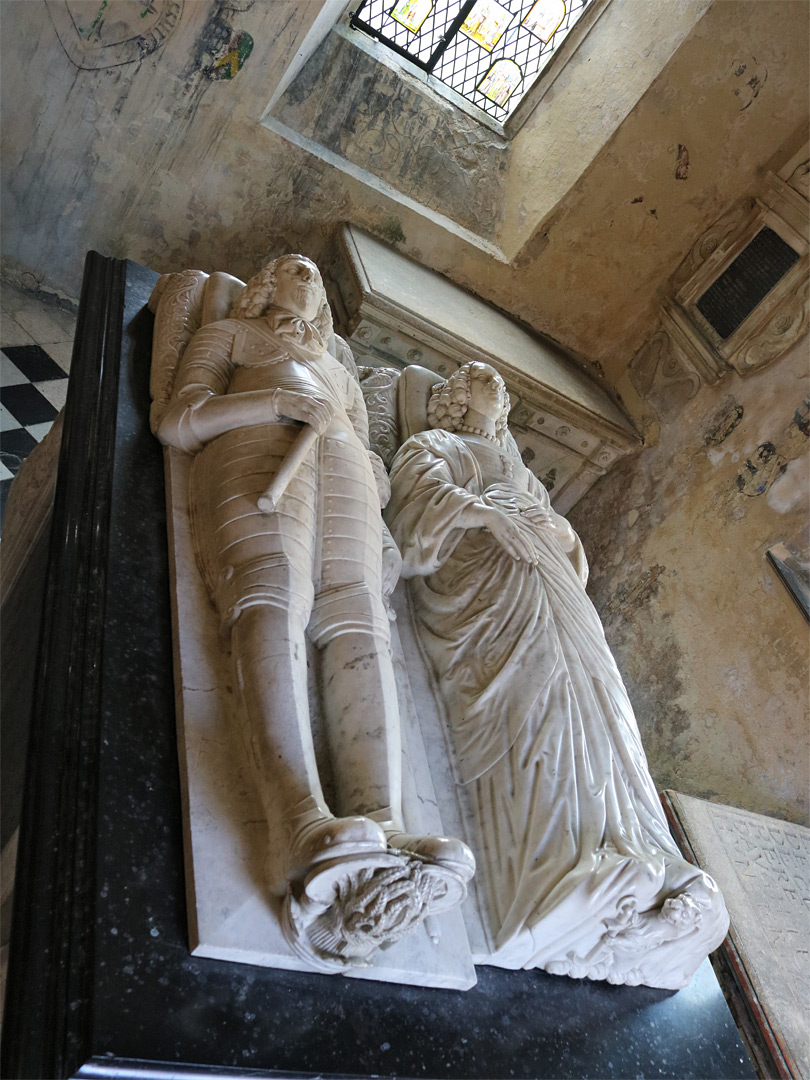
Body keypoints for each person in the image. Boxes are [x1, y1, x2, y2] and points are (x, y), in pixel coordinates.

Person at [386, 361, 729, 989]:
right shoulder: (434, 444)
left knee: (593, 712)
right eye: (478, 377)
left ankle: (623, 852)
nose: (494, 383)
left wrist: (555, 528)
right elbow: (412, 517)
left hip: (553, 593)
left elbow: (572, 552)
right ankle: (540, 875)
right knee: (530, 710)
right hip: (486, 592)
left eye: (498, 381)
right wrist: (488, 517)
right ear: (455, 399)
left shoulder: (522, 472)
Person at [155, 255, 474, 900]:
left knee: (359, 622)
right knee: (272, 597)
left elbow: (361, 442)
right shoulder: (232, 336)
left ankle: (384, 818)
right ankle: (296, 817)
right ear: (266, 283)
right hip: (259, 455)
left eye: (317, 277)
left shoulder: (340, 370)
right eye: (297, 270)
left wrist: (374, 484)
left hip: (344, 477)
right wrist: (273, 400)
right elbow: (179, 419)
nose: (311, 281)